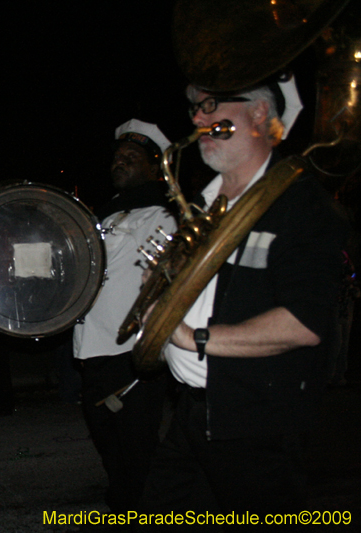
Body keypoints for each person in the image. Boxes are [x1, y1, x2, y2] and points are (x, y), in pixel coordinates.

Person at [140, 75, 346, 517]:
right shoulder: (202, 204)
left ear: (257, 114)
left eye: (212, 104)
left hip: (256, 422)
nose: (198, 116)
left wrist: (191, 337)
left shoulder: (299, 205)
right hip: (194, 413)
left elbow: (304, 323)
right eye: (195, 106)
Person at [73, 119, 176, 513]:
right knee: (108, 444)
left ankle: (139, 512)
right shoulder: (104, 217)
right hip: (93, 348)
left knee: (136, 452)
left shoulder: (164, 218)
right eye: (118, 156)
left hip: (130, 352)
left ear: (155, 168)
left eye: (132, 157)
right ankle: (125, 506)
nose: (120, 162)